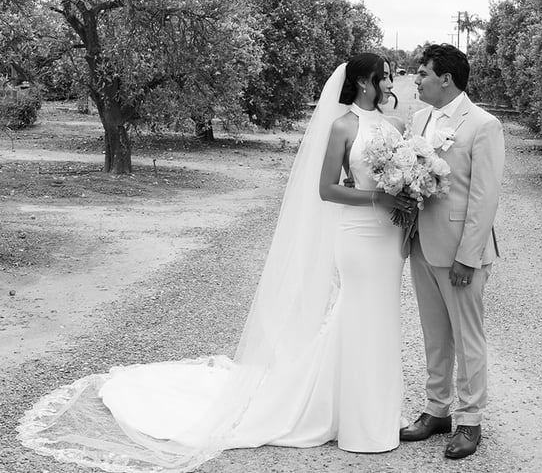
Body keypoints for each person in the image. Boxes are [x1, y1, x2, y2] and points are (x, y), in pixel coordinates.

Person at [18, 54, 413, 472]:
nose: (392, 84)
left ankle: (371, 412)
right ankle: (353, 421)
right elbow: (326, 190)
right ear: (366, 83)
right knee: (357, 313)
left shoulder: (396, 128)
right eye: (386, 77)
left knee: (381, 319)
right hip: (356, 236)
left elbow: (403, 181)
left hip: (387, 238)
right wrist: (377, 197)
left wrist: (408, 195)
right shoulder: (343, 126)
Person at [399, 43, 505, 460]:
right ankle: (436, 410)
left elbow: (484, 197)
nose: (417, 80)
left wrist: (468, 255)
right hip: (421, 243)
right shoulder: (420, 118)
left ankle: (470, 420)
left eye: (422, 73)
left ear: (446, 79)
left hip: (462, 252)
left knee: (467, 338)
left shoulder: (483, 125)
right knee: (434, 335)